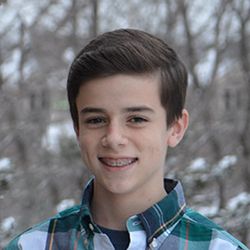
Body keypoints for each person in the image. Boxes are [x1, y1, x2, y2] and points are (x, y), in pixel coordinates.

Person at [5, 29, 248, 250]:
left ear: (175, 128)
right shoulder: (32, 246)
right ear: (78, 128)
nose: (114, 138)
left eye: (137, 119)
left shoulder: (219, 247)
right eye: (96, 120)